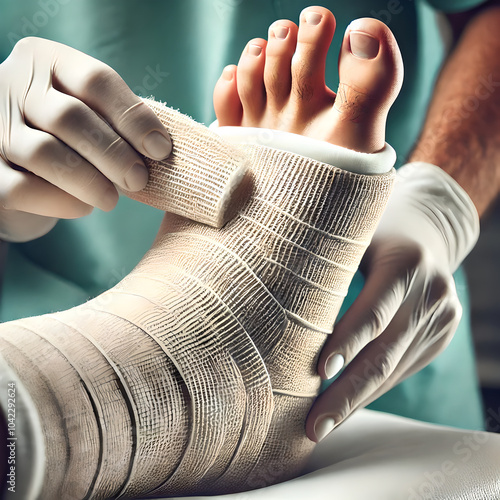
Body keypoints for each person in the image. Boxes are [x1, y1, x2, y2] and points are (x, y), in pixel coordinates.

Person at [0, 0, 497, 455]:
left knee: (37, 417)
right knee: (32, 416)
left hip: (383, 363)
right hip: (46, 307)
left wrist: (442, 198)